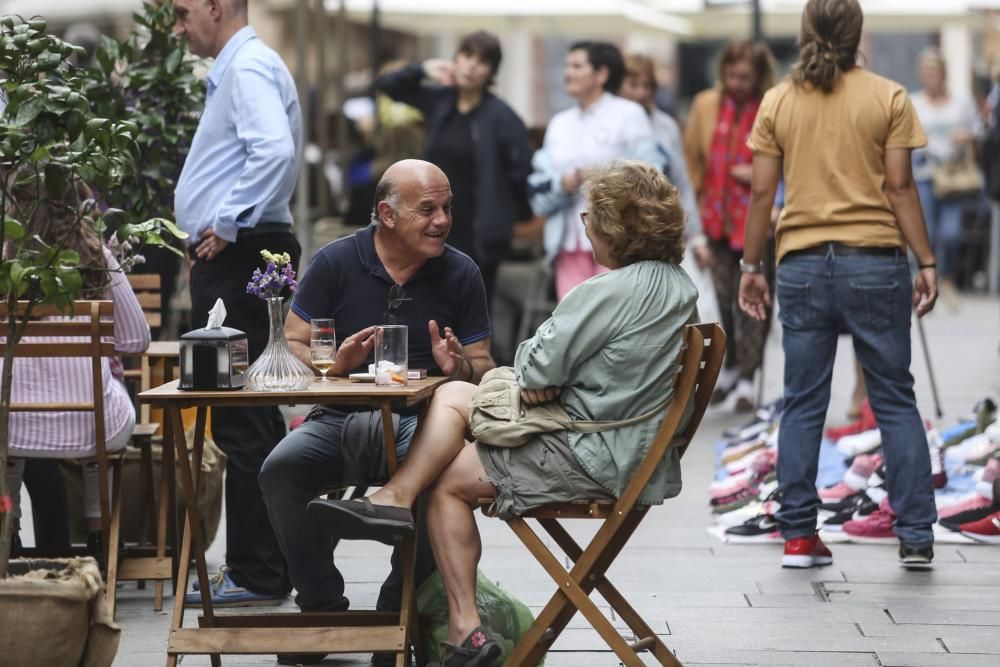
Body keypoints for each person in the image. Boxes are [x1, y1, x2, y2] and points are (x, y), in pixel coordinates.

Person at [308, 160, 698, 665]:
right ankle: (393, 498)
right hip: (629, 446)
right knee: (452, 394)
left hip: (592, 454)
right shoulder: (678, 287)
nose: (583, 226)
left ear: (615, 228)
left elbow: (535, 366)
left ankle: (463, 630)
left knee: (445, 482)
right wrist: (545, 376)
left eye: (589, 217)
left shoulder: (607, 291)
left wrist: (545, 374)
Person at [258, 159, 494, 665]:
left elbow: (484, 364)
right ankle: (321, 608)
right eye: (427, 209)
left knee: (441, 486)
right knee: (280, 470)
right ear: (387, 213)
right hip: (338, 417)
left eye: (447, 208)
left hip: (425, 424)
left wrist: (460, 366)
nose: (442, 220)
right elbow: (291, 341)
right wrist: (331, 362)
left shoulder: (461, 271)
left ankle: (396, 615)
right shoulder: (336, 261)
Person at [737, 0, 939, 569]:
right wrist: (925, 260)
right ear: (857, 34)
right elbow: (900, 189)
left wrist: (752, 269)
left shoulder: (778, 100)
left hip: (801, 264)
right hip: (875, 262)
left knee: (803, 401)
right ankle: (917, 534)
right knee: (894, 399)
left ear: (805, 32)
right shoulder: (889, 96)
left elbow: (759, 195)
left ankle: (799, 536)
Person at [172, 0, 302, 606]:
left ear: (215, 7)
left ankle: (257, 573)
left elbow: (273, 151)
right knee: (247, 412)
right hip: (242, 250)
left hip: (242, 251)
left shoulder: (247, 66)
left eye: (181, 11)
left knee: (242, 413)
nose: (177, 25)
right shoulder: (245, 65)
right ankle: (262, 567)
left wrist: (225, 222)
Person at [3, 178, 150, 566]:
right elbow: (137, 339)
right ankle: (99, 534)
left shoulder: (6, 261)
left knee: (12, 439)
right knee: (102, 412)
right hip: (92, 426)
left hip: (15, 427)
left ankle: (9, 528)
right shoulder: (95, 256)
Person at [375, 31, 532, 308]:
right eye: (467, 56)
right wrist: (423, 68)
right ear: (456, 59)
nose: (472, 66)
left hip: (478, 230)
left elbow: (520, 174)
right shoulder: (440, 100)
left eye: (482, 61)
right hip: (431, 221)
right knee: (428, 301)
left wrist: (506, 220)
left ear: (492, 71)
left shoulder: (503, 118)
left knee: (472, 308)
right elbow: (387, 85)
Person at [528, 41, 662, 300]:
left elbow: (654, 176)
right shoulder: (559, 123)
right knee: (573, 324)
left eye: (577, 66)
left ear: (602, 74)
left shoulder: (629, 115)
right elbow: (537, 184)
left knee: (616, 322)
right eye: (567, 65)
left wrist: (605, 177)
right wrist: (563, 183)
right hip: (568, 244)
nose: (567, 72)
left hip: (618, 243)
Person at [683, 40, 776, 412]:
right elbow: (692, 161)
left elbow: (783, 159)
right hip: (716, 220)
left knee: (754, 302)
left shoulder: (770, 105)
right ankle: (735, 368)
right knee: (723, 299)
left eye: (746, 77)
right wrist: (695, 223)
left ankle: (750, 375)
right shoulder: (705, 104)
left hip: (758, 220)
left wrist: (756, 174)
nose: (737, 83)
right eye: (732, 75)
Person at [911, 46, 980, 304]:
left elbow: (977, 131)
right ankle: (928, 278)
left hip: (953, 176)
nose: (931, 78)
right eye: (926, 73)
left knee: (950, 232)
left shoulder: (961, 103)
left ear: (943, 75)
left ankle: (948, 276)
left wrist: (965, 136)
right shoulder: (913, 102)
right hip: (925, 174)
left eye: (935, 73)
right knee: (926, 231)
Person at [620, 53, 704, 251]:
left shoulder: (666, 126)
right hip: (620, 230)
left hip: (658, 228)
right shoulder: (611, 124)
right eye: (633, 84)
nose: (641, 92)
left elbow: (681, 182)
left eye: (647, 85)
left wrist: (696, 235)